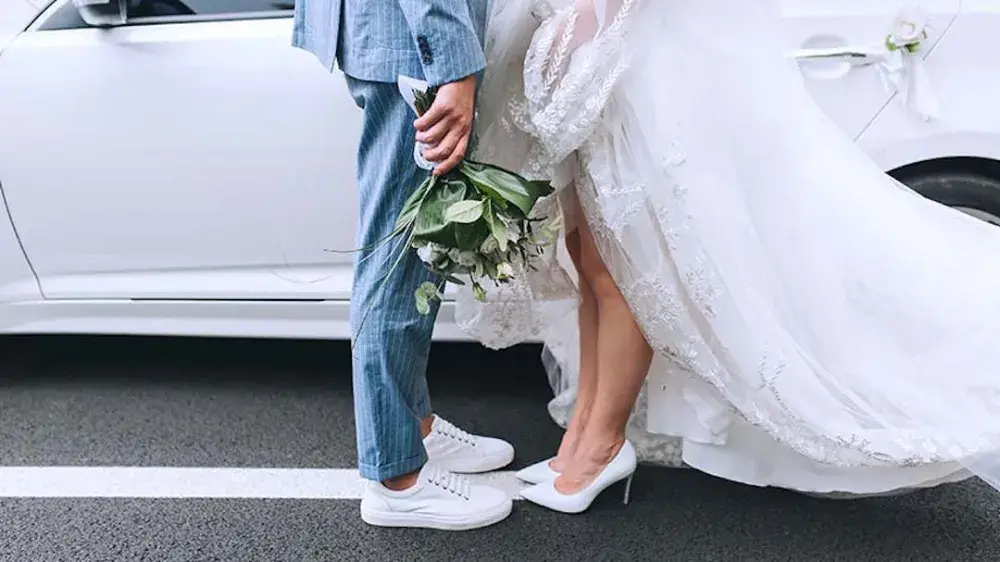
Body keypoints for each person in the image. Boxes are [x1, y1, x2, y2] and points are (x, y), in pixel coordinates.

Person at [458, 0, 1000, 514]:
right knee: (592, 261)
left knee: (629, 270)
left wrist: (571, 42)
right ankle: (578, 438)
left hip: (637, 71)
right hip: (607, 63)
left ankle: (599, 447)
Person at [292, 0, 516, 530]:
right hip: (408, 37)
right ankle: (397, 480)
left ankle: (414, 427)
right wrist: (453, 62)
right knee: (397, 260)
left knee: (411, 252)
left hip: (391, 32)